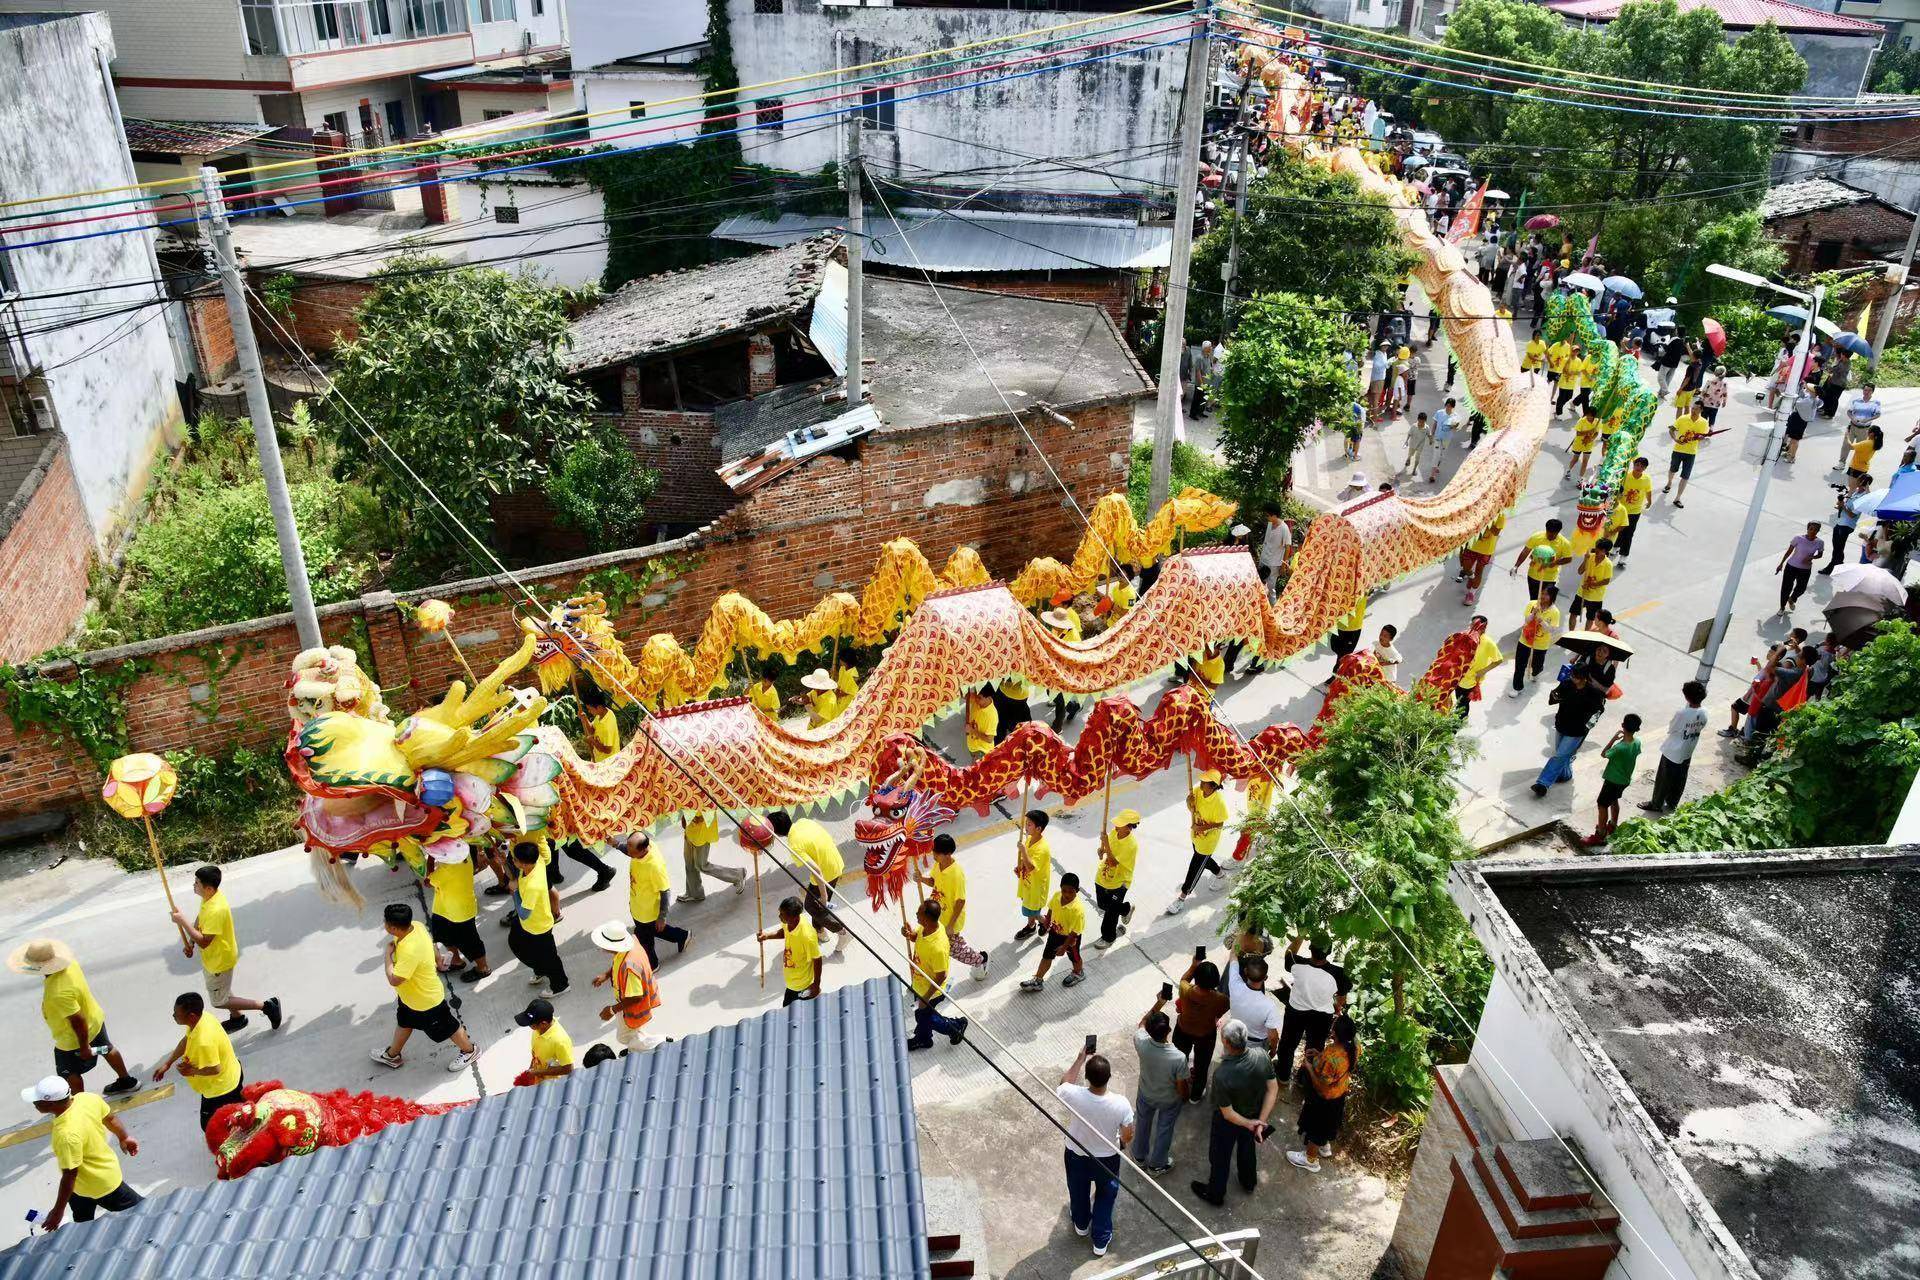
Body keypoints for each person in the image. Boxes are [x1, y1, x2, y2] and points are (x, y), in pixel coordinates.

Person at [10, 939, 139, 1097]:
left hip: (72, 1039)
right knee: (107, 1048)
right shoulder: (69, 964)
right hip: (94, 1020)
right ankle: (127, 1081)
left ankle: (80, 1104)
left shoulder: (57, 993)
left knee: (69, 1072)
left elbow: (77, 1021)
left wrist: (84, 1047)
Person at [171, 865, 282, 1034]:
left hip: (218, 961)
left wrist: (182, 922)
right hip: (214, 958)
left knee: (219, 1001)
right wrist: (191, 943)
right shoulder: (210, 898)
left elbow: (204, 942)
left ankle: (267, 1006)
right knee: (222, 990)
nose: (194, 885)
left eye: (197, 883)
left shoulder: (216, 910)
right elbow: (201, 918)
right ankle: (237, 1018)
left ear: (208, 888)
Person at [370, 903, 479, 1072]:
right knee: (405, 1022)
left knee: (449, 1027)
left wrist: (387, 956)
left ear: (392, 928)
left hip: (426, 1001)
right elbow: (432, 943)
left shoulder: (408, 951)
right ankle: (392, 1056)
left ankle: (470, 1051)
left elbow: (394, 979)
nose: (383, 924)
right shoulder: (417, 926)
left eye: (385, 922)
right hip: (410, 998)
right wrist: (438, 961)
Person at [22, 1076, 140, 1231]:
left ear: (49, 1103)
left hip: (101, 1185)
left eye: (36, 1101)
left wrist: (58, 1211)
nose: (34, 1104)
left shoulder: (66, 1134)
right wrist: (124, 1137)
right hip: (78, 1188)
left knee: (142, 1213)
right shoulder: (87, 1099)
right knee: (82, 1226)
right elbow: (110, 1118)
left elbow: (70, 1174)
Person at [1189, 1019, 1277, 1207]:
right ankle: (1248, 1182)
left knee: (1220, 1156)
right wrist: (1259, 1122)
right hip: (1253, 1115)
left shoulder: (1222, 1074)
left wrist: (1251, 1123)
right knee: (1247, 1149)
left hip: (1228, 1123)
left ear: (1227, 1043)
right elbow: (1272, 1089)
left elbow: (1227, 1113)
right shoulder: (1261, 1055)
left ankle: (1216, 1193)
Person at [1057, 1046, 1135, 1259]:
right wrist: (1120, 1144)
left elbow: (1064, 1082)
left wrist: (1079, 1059)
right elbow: (1127, 1135)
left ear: (1087, 1078)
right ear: (1109, 1077)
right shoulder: (1121, 1104)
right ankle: (1100, 1241)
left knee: (1078, 1189)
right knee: (1105, 1195)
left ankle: (1081, 1224)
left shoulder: (1073, 1094)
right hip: (1107, 1158)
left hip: (1076, 1154)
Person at [151, 991, 243, 1133]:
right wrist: (167, 1063)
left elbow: (215, 1069)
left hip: (221, 1089)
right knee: (239, 1112)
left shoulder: (203, 1041)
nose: (174, 1016)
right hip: (232, 1073)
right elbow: (186, 1040)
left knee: (209, 1126)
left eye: (177, 1013)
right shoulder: (203, 1018)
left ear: (191, 1016)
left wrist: (191, 1071)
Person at [1289, 1003, 1357, 1173]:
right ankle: (1324, 1146)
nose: (1331, 1031)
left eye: (1334, 1029)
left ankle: (1310, 1159)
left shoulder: (1331, 1058)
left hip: (1323, 1098)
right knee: (1328, 1124)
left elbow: (1321, 1084)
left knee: (1316, 1126)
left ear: (1336, 1034)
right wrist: (1319, 1054)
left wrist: (1309, 1067)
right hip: (1339, 1095)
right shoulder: (1353, 1048)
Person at [913, 834, 989, 977]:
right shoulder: (938, 865)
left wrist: (950, 925)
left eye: (937, 852)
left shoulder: (956, 874)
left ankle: (980, 960)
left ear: (947, 854)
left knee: (955, 950)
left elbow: (960, 901)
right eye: (933, 850)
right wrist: (921, 879)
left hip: (949, 920)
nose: (933, 854)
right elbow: (933, 881)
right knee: (935, 943)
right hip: (936, 916)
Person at [1274, 937, 1345, 1086]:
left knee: (1288, 1044)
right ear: (1329, 952)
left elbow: (1289, 953)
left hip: (1296, 1011)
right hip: (1321, 1017)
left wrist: (1299, 937)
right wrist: (1337, 1008)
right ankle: (1304, 1079)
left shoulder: (1298, 964)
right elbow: (1341, 998)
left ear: (1310, 949)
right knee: (1315, 1047)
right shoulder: (1339, 974)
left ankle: (1283, 1075)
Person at [1531, 665, 1610, 797]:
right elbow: (1555, 696)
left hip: (1577, 730)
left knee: (1560, 755)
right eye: (1572, 675)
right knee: (1562, 754)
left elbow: (1599, 711)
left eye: (1576, 677)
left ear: (1584, 678)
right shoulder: (1567, 684)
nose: (1573, 678)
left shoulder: (1594, 693)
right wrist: (1555, 696)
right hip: (1562, 724)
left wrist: (1588, 726)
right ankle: (1566, 774)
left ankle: (1543, 784)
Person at [902, 898, 969, 1051]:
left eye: (919, 913)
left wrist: (926, 997)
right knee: (921, 1017)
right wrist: (908, 934)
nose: (916, 914)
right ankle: (924, 1039)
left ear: (926, 918)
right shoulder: (925, 928)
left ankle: (955, 1027)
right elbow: (916, 937)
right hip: (919, 984)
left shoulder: (938, 947)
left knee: (926, 1018)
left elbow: (941, 976)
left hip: (932, 991)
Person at [1132, 1003, 1188, 1176]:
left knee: (1142, 1123)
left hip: (1145, 1092)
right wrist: (1184, 1097)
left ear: (1149, 1031)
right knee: (1164, 1129)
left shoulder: (1141, 1043)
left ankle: (1139, 1156)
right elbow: (1181, 1087)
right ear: (1169, 1030)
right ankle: (1157, 1165)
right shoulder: (1178, 1057)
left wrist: (1160, 1002)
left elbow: (1141, 1023)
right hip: (1168, 1100)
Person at [589, 921, 662, 1054]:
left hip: (634, 1007)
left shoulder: (629, 967)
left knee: (625, 1036)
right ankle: (636, 1048)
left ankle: (656, 1043)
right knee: (630, 1034)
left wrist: (612, 1010)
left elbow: (636, 996)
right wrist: (607, 974)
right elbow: (619, 963)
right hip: (627, 1002)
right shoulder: (629, 947)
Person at [1641, 681, 1709, 813]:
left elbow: (1672, 729)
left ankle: (1656, 803)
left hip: (1673, 751)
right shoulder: (1705, 712)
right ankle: (1672, 802)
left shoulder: (1682, 713)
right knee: (1680, 778)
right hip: (1688, 750)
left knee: (1663, 779)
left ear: (1687, 697)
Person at [1168, 770, 1229, 915]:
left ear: (1213, 786)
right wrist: (1188, 802)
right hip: (1196, 836)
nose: (1201, 783)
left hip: (1208, 841)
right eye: (1201, 781)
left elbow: (1220, 823)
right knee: (1204, 861)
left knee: (1195, 867)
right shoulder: (1197, 790)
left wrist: (1202, 827)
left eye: (1204, 782)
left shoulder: (1218, 802)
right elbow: (1192, 808)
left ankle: (1181, 899)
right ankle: (1221, 876)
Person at [622, 832, 684, 972]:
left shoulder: (654, 867)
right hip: (637, 906)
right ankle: (682, 936)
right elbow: (628, 850)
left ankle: (652, 965)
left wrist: (662, 917)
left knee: (646, 941)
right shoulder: (643, 847)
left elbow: (665, 892)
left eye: (631, 851)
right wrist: (614, 843)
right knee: (650, 931)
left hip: (647, 911)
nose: (628, 852)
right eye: (628, 847)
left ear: (643, 849)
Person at [427, 847, 490, 982]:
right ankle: (456, 960)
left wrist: (430, 858)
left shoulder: (448, 868)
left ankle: (482, 968)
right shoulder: (463, 853)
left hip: (458, 910)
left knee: (469, 941)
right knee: (443, 932)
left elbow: (428, 881)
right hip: (444, 906)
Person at [1173, 956, 1230, 1101]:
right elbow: (1219, 1013)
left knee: (1179, 1059)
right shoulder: (1221, 999)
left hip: (1183, 1030)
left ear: (1196, 978)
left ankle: (1178, 1084)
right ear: (1215, 981)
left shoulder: (1186, 990)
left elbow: (1184, 979)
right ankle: (1196, 1095)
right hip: (1205, 1035)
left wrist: (1194, 965)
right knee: (1202, 1066)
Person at [1020, 872, 1088, 992]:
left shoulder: (1078, 910)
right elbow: (1051, 909)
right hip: (1054, 933)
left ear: (1077, 891)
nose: (1066, 894)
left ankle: (1078, 972)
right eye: (1064, 890)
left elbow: (1074, 933)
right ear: (1060, 888)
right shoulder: (1057, 896)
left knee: (1075, 958)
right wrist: (1046, 923)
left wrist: (1064, 947)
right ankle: (1038, 980)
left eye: (1070, 891)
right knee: (1047, 956)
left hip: (1070, 939)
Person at [1583, 713, 1643, 846]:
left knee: (1602, 804)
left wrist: (1613, 739)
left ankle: (1600, 834)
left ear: (1623, 726)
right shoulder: (1637, 742)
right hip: (1624, 780)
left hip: (1612, 780)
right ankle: (1613, 824)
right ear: (1637, 729)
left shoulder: (1620, 747)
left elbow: (1604, 754)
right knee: (1613, 800)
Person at [758, 896, 821, 1008]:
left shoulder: (807, 936)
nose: (780, 916)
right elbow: (784, 932)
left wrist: (816, 985)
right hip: (791, 984)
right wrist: (767, 936)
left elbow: (817, 959)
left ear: (795, 917)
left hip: (802, 985)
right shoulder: (788, 923)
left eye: (783, 915)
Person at [1093, 809, 1140, 950]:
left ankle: (1108, 937)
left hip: (1120, 881)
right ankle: (1125, 909)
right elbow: (1109, 853)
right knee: (1102, 904)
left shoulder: (1131, 845)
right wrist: (1102, 850)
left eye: (1120, 824)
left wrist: (1106, 843)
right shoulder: (1114, 833)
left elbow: (1114, 862)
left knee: (1111, 912)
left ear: (1129, 827)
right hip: (1104, 876)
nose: (1116, 826)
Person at [677, 810, 746, 904]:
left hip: (702, 835)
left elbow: (706, 814)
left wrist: (695, 818)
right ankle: (695, 893)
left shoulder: (708, 798)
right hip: (690, 832)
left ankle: (737, 875)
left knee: (702, 865)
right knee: (690, 864)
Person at [1224, 948, 1282, 1056]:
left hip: (1234, 1038)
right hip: (1256, 1047)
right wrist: (1273, 1050)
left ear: (1245, 972)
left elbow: (1233, 955)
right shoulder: (1269, 1006)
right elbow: (1273, 1036)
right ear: (1266, 978)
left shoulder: (1234, 985)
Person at [1011, 808, 1055, 942]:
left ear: (1039, 828)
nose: (1026, 826)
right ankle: (1031, 926)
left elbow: (1031, 866)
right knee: (1029, 907)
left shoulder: (1042, 849)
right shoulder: (1029, 839)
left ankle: (1046, 923)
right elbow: (1026, 863)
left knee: (1032, 911)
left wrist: (1023, 851)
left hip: (1036, 887)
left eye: (1029, 824)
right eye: (1026, 823)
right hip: (1028, 883)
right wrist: (1019, 867)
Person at [510, 998, 573, 1088]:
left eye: (531, 1024)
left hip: (551, 1086)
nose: (529, 1026)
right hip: (538, 1077)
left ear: (543, 1024)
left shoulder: (560, 1041)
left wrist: (538, 1072)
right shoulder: (539, 1029)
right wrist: (532, 1069)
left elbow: (568, 1069)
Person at [1454, 615, 1505, 719]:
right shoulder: (1466, 636)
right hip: (1459, 676)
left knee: (1462, 703)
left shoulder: (1488, 643)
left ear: (1484, 628)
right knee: (1459, 699)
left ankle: (1458, 722)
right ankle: (1459, 716)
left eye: (1475, 626)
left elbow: (1499, 660)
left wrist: (1483, 671)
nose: (1472, 628)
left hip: (1471, 679)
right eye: (1471, 625)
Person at [1819, 474, 1872, 574]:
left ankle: (1831, 567)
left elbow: (1852, 515)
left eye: (1859, 479)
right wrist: (1840, 504)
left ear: (1863, 482)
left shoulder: (1864, 497)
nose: (1857, 480)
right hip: (1840, 522)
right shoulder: (1855, 492)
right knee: (1837, 546)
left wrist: (1843, 507)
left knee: (1838, 548)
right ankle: (1839, 563)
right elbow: (1845, 506)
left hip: (1847, 525)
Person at [1511, 518, 1572, 599]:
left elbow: (1568, 559)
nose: (1550, 536)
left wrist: (1554, 563)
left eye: (1553, 534)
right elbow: (1525, 551)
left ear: (1558, 532)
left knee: (1546, 603)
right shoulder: (1536, 537)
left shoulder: (1565, 543)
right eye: (1548, 533)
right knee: (1534, 600)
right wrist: (1516, 566)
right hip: (1533, 576)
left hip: (1550, 578)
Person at [1663, 405, 1711, 508]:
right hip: (1678, 450)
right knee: (1672, 469)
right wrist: (1675, 439)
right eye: (1693, 408)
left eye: (1697, 409)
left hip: (1691, 453)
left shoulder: (1704, 422)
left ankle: (1677, 498)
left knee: (1685, 476)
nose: (1693, 410)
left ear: (1701, 410)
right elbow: (1671, 430)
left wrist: (1701, 438)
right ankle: (1669, 483)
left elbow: (1703, 436)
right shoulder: (1683, 418)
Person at [1776, 521, 1825, 614]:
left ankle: (1792, 599)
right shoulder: (1798, 538)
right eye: (1811, 529)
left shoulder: (1820, 542)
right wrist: (1781, 563)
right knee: (1786, 588)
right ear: (1807, 529)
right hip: (1791, 567)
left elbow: (1820, 555)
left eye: (1815, 530)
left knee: (1801, 588)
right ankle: (1782, 608)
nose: (1812, 531)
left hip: (1805, 569)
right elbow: (1789, 552)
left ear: (1818, 531)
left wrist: (1812, 557)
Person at [1458, 511, 1504, 605]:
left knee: (1479, 571)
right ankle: (1471, 576)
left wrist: (1487, 520)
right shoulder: (1478, 509)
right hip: (1471, 545)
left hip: (1486, 550)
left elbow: (1496, 532)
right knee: (1465, 567)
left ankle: (1471, 594)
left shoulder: (1501, 515)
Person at [1570, 538, 1614, 629]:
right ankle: (1571, 633)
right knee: (1573, 614)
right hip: (1581, 593)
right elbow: (1580, 571)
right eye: (1597, 547)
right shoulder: (1589, 557)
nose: (1597, 550)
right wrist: (1585, 560)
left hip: (1596, 597)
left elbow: (1606, 580)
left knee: (1590, 619)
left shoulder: (1608, 564)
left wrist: (1591, 584)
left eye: (1600, 549)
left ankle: (1586, 637)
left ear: (1605, 551)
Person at [1616, 458, 1652, 565]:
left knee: (1629, 533)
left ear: (1645, 468)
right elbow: (1618, 488)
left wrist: (1649, 501)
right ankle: (1616, 546)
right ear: (1634, 465)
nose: (1639, 468)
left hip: (1635, 511)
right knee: (1619, 529)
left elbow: (1648, 490)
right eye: (1637, 465)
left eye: (1642, 466)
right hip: (1621, 509)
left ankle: (1623, 555)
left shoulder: (1646, 479)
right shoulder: (1625, 476)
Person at [1841, 383, 1881, 471]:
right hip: (1852, 426)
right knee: (1846, 445)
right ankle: (1842, 462)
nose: (1866, 392)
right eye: (1865, 390)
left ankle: (1854, 465)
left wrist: (1868, 419)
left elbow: (1878, 414)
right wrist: (1852, 418)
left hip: (1865, 429)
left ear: (1872, 391)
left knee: (1860, 448)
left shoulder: (1875, 402)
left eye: (1869, 390)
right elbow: (1849, 412)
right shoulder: (1856, 400)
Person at [576, 681, 620, 761]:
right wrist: (585, 719)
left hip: (607, 762)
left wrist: (592, 741)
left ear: (599, 707)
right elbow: (592, 730)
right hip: (598, 758)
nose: (589, 711)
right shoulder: (605, 713)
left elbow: (608, 750)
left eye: (590, 709)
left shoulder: (607, 726)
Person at [1781, 379, 1818, 464]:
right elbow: (1803, 395)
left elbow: (1798, 403)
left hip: (1800, 421)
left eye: (1808, 388)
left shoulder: (1810, 400)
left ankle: (1792, 457)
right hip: (1797, 419)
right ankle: (1789, 452)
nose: (1806, 389)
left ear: (1812, 392)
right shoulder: (1810, 397)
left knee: (1795, 440)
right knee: (1792, 437)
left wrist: (1799, 396)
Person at [1257, 513, 1292, 600]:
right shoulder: (1270, 524)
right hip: (1264, 560)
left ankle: (1273, 608)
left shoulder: (1284, 528)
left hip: (1274, 563)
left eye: (1268, 515)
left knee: (1271, 588)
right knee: (1260, 585)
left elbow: (1287, 547)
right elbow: (1267, 542)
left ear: (1275, 515)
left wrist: (1283, 565)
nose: (1266, 517)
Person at [1427, 398, 1457, 482]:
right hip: (1438, 437)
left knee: (1441, 456)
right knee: (1436, 455)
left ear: (1453, 407)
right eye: (1447, 405)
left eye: (1450, 406)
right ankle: (1432, 475)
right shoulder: (1439, 413)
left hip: (1447, 439)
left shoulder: (1455, 416)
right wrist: (1431, 435)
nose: (1448, 407)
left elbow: (1455, 429)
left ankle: (1436, 467)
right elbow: (1435, 424)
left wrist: (1454, 427)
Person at [1565, 409, 1599, 481]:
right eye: (1587, 415)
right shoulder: (1581, 421)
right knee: (1575, 459)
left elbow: (1596, 432)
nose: (1588, 416)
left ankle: (1580, 479)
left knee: (1585, 462)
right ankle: (1568, 471)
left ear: (1593, 416)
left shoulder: (1597, 422)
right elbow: (1578, 433)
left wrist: (1592, 439)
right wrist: (1589, 431)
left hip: (1588, 445)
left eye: (1590, 415)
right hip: (1579, 444)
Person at [964, 688, 997, 758]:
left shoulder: (992, 716)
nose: (976, 699)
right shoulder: (977, 700)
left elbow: (989, 739)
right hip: (972, 745)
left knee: (977, 767)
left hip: (982, 750)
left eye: (979, 698)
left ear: (988, 697)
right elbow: (964, 695)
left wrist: (972, 730)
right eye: (976, 694)